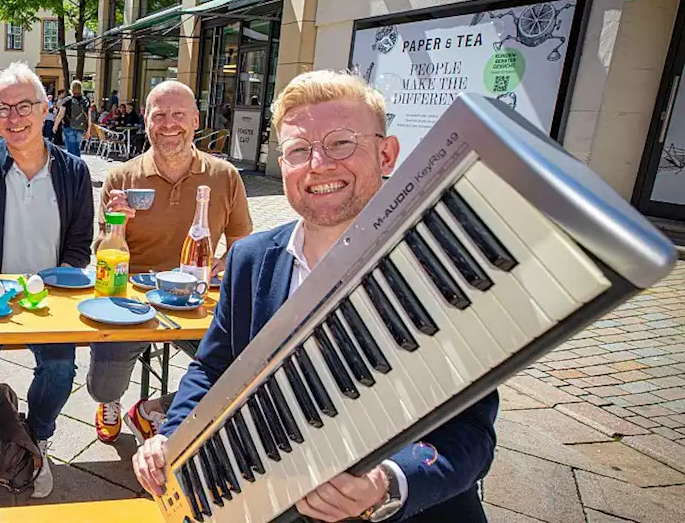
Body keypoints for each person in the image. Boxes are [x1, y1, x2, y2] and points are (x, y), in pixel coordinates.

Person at [132, 70, 499, 523]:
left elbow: (471, 433)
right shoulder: (250, 260)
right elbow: (214, 367)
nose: (319, 164)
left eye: (342, 143)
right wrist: (172, 436)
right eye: (299, 150)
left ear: (387, 153)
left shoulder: (447, 271)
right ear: (283, 164)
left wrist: (386, 483)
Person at [0, 62, 94, 498]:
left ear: (46, 107)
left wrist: (59, 283)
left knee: (60, 367)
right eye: (3, 109)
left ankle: (34, 440)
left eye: (24, 106)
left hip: (47, 296)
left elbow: (79, 246)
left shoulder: (73, 171)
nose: (14, 118)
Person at [87, 81, 252, 444]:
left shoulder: (224, 176)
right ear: (146, 120)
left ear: (195, 120)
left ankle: (155, 410)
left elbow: (242, 243)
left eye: (178, 115)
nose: (169, 124)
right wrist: (118, 225)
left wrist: (221, 268)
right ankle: (110, 400)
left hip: (197, 300)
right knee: (102, 386)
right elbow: (102, 253)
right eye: (159, 115)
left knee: (245, 370)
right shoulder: (122, 177)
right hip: (133, 300)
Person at [54, 80, 92, 157]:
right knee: (77, 149)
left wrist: (55, 125)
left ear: (71, 88)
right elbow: (89, 116)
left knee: (71, 150)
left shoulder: (67, 100)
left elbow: (60, 115)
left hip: (69, 127)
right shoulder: (85, 100)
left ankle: (72, 167)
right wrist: (88, 130)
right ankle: (78, 166)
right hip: (81, 127)